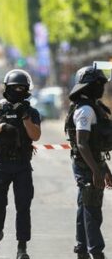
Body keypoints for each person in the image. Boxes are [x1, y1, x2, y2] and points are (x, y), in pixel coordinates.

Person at [0, 69, 41, 259]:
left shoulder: (31, 111)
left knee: (23, 207)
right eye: (15, 88)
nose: (19, 91)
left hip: (22, 164)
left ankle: (22, 247)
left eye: (22, 88)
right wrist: (1, 127)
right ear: (7, 88)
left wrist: (25, 119)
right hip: (1, 164)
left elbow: (36, 136)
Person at [65, 65, 112, 259]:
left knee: (84, 206)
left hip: (93, 163)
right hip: (87, 166)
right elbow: (82, 144)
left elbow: (94, 146)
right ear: (87, 86)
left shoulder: (93, 107)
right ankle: (96, 252)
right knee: (92, 210)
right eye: (97, 84)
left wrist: (105, 169)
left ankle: (82, 249)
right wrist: (96, 171)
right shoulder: (85, 110)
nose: (101, 87)